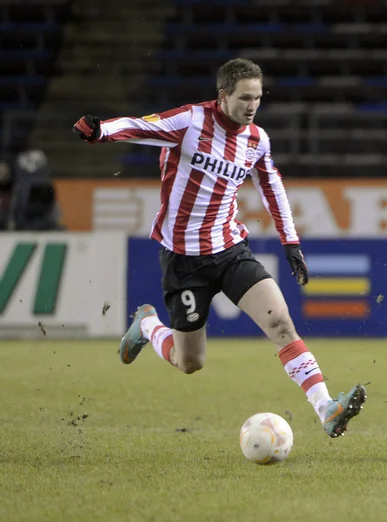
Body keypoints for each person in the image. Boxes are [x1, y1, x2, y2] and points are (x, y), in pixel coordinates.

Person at [73, 58, 366, 438]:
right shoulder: (190, 122)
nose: (252, 106)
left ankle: (326, 408)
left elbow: (271, 187)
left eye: (258, 98)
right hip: (184, 259)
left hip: (229, 250)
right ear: (223, 95)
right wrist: (100, 131)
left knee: (280, 322)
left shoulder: (257, 139)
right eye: (245, 98)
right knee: (189, 362)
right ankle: (147, 324)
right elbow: (143, 126)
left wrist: (290, 242)